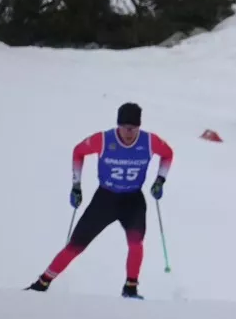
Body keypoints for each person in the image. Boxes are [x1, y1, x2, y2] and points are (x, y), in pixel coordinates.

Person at [26, 103, 173, 300]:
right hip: (106, 198)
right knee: (76, 245)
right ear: (118, 125)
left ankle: (130, 288)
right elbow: (78, 152)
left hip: (133, 200)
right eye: (125, 128)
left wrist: (160, 181)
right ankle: (42, 283)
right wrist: (76, 185)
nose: (129, 133)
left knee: (136, 243)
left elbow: (168, 154)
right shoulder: (104, 140)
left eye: (133, 128)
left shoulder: (149, 141)